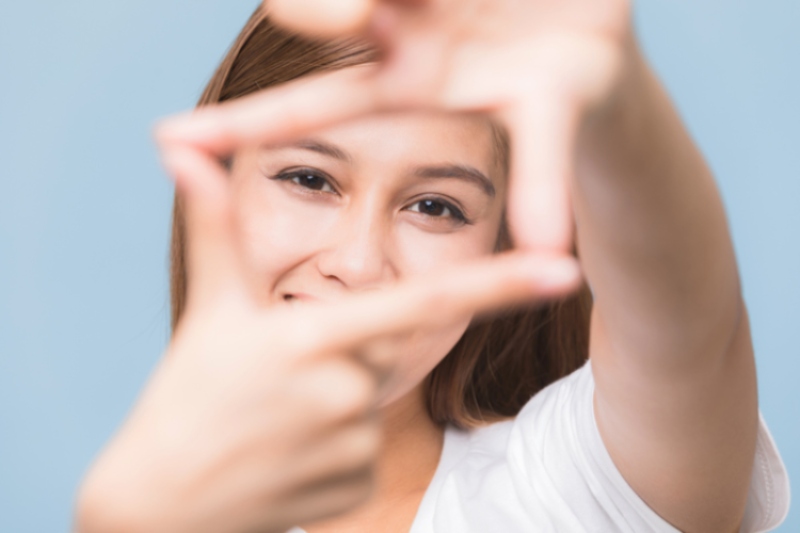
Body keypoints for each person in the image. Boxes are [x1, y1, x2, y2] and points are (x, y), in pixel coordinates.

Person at [75, 1, 790, 532]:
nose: (358, 264)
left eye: (436, 207)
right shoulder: (141, 504)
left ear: (500, 243)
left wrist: (616, 99)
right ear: (219, 180)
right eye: (310, 179)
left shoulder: (565, 491)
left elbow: (693, 331)